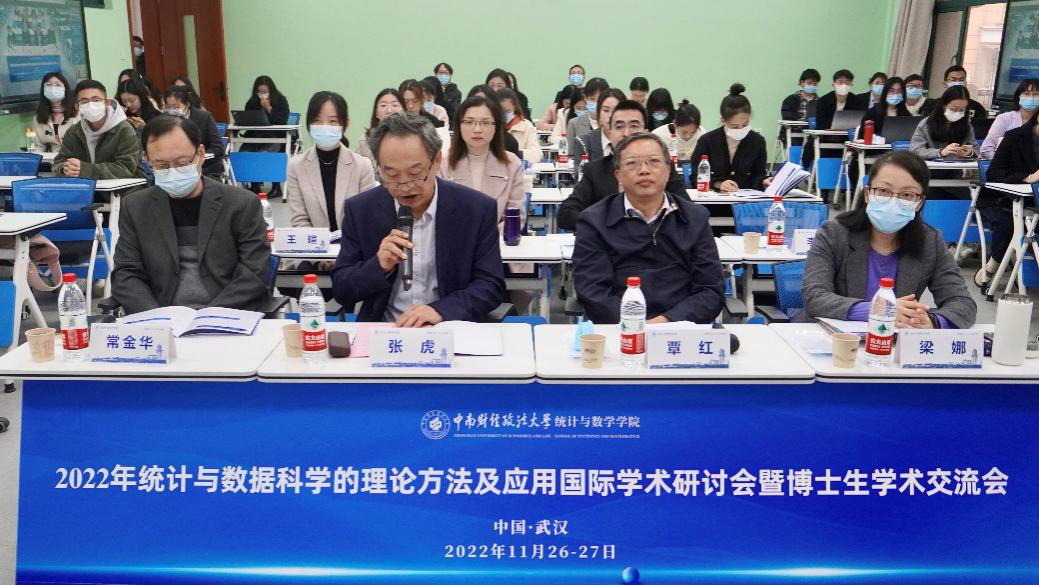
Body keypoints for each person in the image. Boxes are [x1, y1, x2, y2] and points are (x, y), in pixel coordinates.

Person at [331, 113, 506, 325]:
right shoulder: (360, 210)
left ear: (437, 161)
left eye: (415, 173)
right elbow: (342, 289)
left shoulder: (476, 209)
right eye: (392, 175)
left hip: (450, 327)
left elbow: (490, 285)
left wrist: (440, 311)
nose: (405, 186)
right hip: (386, 329)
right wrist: (378, 265)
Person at [112, 115, 271, 315]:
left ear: (201, 154)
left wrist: (208, 316)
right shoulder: (135, 207)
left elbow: (254, 273)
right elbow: (126, 274)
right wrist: (156, 316)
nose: (172, 173)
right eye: (161, 166)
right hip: (161, 318)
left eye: (181, 163)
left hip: (227, 315)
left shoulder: (241, 204)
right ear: (146, 159)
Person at [803, 150, 976, 329]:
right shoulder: (833, 233)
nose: (893, 201)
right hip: (836, 339)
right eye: (884, 191)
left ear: (919, 203)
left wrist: (933, 321)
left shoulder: (930, 241)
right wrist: (877, 310)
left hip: (896, 341)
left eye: (907, 195)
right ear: (867, 194)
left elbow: (963, 303)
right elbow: (815, 297)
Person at [573, 132, 724, 324]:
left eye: (654, 161)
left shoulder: (695, 218)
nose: (644, 170)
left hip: (681, 328)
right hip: (620, 329)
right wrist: (635, 324)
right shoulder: (594, 221)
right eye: (632, 163)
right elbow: (593, 291)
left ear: (668, 170)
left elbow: (710, 290)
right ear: (618, 175)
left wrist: (666, 322)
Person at [558, 100, 687, 231]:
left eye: (634, 126)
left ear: (646, 132)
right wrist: (607, 227)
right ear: (610, 133)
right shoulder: (595, 170)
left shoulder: (661, 167)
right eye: (619, 127)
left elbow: (687, 211)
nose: (626, 133)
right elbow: (566, 214)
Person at [286, 90, 377, 255]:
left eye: (333, 121)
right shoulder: (296, 166)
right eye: (317, 121)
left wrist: (342, 256)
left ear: (345, 124)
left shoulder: (362, 166)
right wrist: (321, 255)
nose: (324, 127)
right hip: (313, 253)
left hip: (354, 253)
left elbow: (366, 220)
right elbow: (300, 220)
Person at [440, 95, 525, 231]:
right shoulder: (443, 165)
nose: (477, 129)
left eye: (485, 123)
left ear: (496, 127)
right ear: (459, 126)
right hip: (455, 240)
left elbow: (516, 217)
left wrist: (487, 239)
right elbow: (439, 216)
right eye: (469, 122)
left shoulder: (512, 164)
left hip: (497, 240)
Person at [976, 112, 1039, 287]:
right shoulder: (1014, 137)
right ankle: (995, 263)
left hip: (1033, 203)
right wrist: (1027, 178)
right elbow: (993, 174)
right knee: (1009, 223)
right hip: (1001, 199)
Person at [53, 80, 143, 179]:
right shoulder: (74, 132)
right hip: (86, 186)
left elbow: (126, 168)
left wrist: (86, 170)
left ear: (106, 103)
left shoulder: (124, 129)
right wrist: (65, 169)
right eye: (84, 101)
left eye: (96, 100)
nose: (91, 105)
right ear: (77, 106)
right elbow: (59, 162)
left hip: (125, 187)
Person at [690, 83, 767, 192]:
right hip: (714, 200)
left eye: (745, 124)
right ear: (723, 120)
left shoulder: (757, 141)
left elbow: (758, 174)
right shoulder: (707, 141)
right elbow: (695, 177)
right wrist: (718, 184)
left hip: (745, 200)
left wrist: (764, 181)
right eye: (734, 126)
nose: (740, 129)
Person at [242, 75, 290, 197]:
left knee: (264, 154)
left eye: (265, 91)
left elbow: (282, 121)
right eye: (260, 92)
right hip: (255, 137)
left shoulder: (281, 101)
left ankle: (276, 187)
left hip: (275, 138)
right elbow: (248, 119)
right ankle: (255, 186)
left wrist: (268, 108)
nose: (262, 94)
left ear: (271, 91)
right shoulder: (252, 102)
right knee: (245, 153)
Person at [163, 85, 224, 177]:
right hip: (176, 168)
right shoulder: (164, 121)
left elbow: (218, 147)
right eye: (169, 107)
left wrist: (199, 156)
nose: (172, 110)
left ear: (187, 104)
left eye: (176, 107)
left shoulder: (204, 117)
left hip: (206, 168)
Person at [910, 85, 977, 160]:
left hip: (958, 165)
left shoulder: (967, 125)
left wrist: (969, 153)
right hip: (931, 166)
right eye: (953, 109)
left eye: (962, 110)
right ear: (943, 105)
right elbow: (915, 151)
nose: (957, 113)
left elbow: (976, 149)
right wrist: (940, 152)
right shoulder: (926, 124)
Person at [980, 78, 1039, 160]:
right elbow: (986, 150)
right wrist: (1006, 162)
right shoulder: (1004, 119)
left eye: (1036, 94)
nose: (1031, 97)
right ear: (1019, 96)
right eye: (1027, 93)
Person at [32, 72, 79, 153]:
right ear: (43, 89)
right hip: (52, 158)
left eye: (58, 85)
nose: (53, 88)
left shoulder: (79, 112)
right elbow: (39, 146)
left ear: (65, 89)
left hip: (77, 157)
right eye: (49, 85)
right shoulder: (38, 118)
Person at [575, 88, 626, 162]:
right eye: (606, 110)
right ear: (599, 114)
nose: (610, 115)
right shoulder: (584, 142)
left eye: (616, 110)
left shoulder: (633, 141)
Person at [920, 66, 988, 120]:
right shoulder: (933, 106)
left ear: (965, 83)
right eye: (953, 80)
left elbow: (981, 128)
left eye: (961, 80)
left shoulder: (977, 108)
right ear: (945, 84)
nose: (957, 83)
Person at [357, 88, 404, 164]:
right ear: (376, 113)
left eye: (395, 105)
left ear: (404, 111)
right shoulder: (365, 140)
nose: (389, 110)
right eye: (383, 105)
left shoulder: (412, 138)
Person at [565, 80, 610, 156]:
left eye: (599, 99)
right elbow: (570, 153)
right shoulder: (574, 123)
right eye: (592, 99)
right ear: (585, 98)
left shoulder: (612, 123)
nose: (596, 103)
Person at [498, 88, 541, 163]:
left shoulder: (526, 126)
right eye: (500, 111)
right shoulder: (491, 126)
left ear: (514, 107)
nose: (504, 115)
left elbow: (536, 155)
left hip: (519, 166)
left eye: (507, 111)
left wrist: (516, 153)